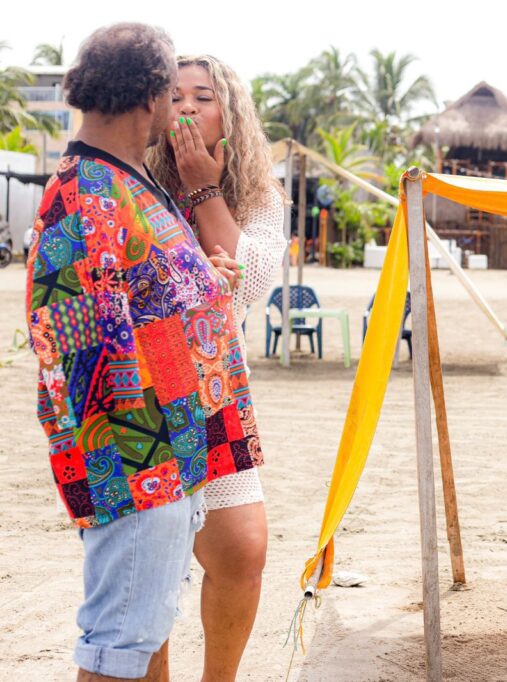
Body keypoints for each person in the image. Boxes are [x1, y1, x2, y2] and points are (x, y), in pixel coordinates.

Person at [25, 23, 263, 682]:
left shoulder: (125, 184)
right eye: (173, 93)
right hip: (138, 468)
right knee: (118, 649)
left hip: (170, 461)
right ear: (150, 95)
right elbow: (83, 354)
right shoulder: (90, 197)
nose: (181, 109)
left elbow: (136, 305)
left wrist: (201, 288)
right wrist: (145, 485)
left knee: (135, 636)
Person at [147, 54, 285, 681]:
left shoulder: (260, 193)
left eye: (201, 97)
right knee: (147, 561)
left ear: (229, 110)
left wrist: (205, 189)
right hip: (141, 393)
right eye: (172, 97)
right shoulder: (135, 184)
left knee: (241, 553)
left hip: (214, 392)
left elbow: (253, 280)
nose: (186, 110)